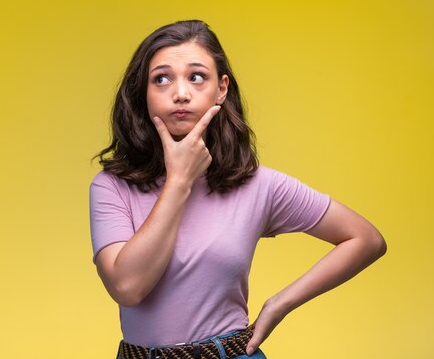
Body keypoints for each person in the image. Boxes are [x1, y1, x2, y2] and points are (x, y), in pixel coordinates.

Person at [89, 20, 386, 359]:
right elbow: (128, 288)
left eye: (196, 76)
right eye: (162, 78)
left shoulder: (259, 185)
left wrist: (280, 303)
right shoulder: (111, 187)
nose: (180, 92)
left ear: (221, 88)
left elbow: (366, 240)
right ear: (144, 93)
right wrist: (179, 181)